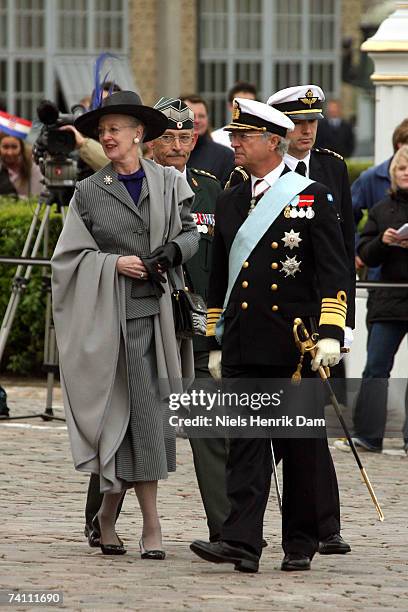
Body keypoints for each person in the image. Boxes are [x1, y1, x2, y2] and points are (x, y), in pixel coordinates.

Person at [190, 98, 349, 573]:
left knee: (298, 450)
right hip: (243, 342)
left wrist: (330, 332)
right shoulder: (231, 198)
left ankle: (299, 542)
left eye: (243, 137)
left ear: (271, 142)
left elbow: (333, 271)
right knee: (245, 448)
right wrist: (216, 337)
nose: (233, 144)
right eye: (234, 136)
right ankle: (241, 541)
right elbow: (220, 278)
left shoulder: (311, 195)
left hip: (293, 347)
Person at [51, 90, 199, 557]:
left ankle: (110, 515)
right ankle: (148, 525)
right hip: (114, 321)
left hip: (160, 320)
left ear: (139, 134)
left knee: (149, 417)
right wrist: (114, 264)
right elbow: (68, 259)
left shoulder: (170, 183)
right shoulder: (89, 192)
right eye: (102, 130)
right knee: (132, 419)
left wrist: (174, 251)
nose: (107, 136)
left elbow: (190, 233)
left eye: (115, 129)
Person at [146, 96, 230, 542]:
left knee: (211, 430)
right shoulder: (130, 185)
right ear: (149, 141)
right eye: (168, 138)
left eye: (185, 137)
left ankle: (228, 530)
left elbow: (226, 260)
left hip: (199, 329)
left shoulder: (212, 188)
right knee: (132, 425)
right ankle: (100, 516)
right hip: (147, 324)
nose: (177, 147)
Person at [342, 145, 408, 454]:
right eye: (400, 169)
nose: (405, 174)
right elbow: (364, 253)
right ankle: (368, 435)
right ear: (392, 174)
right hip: (388, 298)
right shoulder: (381, 209)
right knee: (376, 368)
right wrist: (383, 242)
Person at [352, 118, 408, 279]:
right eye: (402, 169)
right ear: (400, 146)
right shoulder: (371, 178)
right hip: (380, 275)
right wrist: (355, 250)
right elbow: (345, 217)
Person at [181, 94, 235, 186]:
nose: (197, 120)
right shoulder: (169, 152)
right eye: (191, 116)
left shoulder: (225, 156)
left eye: (201, 116)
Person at [211, 81, 257, 149]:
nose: (245, 109)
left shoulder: (265, 139)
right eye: (240, 104)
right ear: (230, 106)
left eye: (250, 103)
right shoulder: (215, 139)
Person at [0, 131, 43, 198]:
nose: (10, 153)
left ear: (21, 148)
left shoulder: (32, 165)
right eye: (5, 147)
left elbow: (36, 197)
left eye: (14, 147)